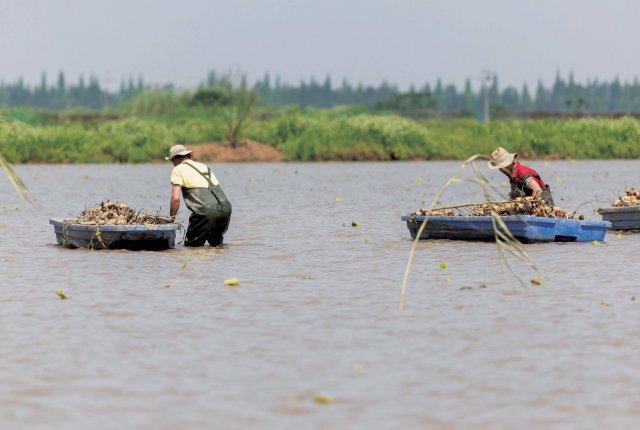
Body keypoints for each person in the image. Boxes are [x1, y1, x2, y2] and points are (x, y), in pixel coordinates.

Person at [167, 144, 232, 246]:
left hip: (206, 212)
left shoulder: (178, 169)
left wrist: (171, 220)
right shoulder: (204, 167)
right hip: (225, 209)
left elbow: (175, 199)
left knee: (192, 247)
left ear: (176, 159)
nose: (173, 164)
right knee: (216, 245)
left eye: (172, 161)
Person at [488, 147, 555, 206]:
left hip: (544, 204)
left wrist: (527, 203)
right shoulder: (511, 175)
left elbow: (537, 190)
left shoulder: (522, 172)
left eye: (501, 167)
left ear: (508, 164)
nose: (500, 170)